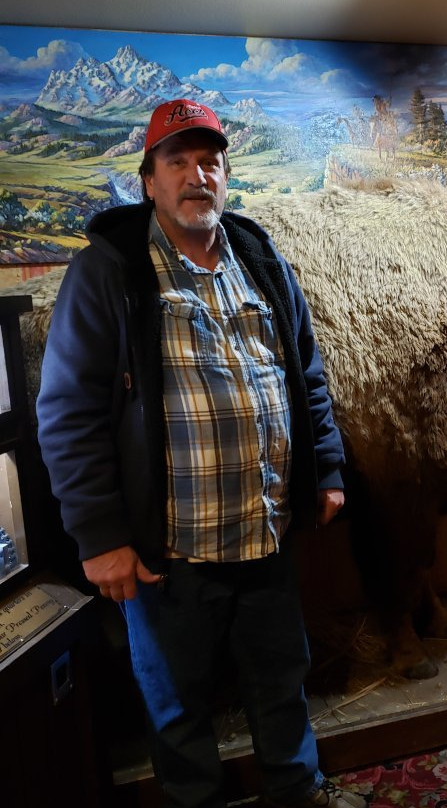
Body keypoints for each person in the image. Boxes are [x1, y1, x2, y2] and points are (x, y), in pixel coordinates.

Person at [36, 98, 367, 808]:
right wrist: (100, 537)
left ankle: (298, 789)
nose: (197, 175)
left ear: (226, 174)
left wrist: (327, 468)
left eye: (210, 161)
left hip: (265, 530)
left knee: (281, 679)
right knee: (177, 702)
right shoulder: (108, 272)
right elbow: (67, 412)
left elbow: (306, 373)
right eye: (178, 161)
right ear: (148, 180)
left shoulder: (261, 260)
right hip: (169, 553)